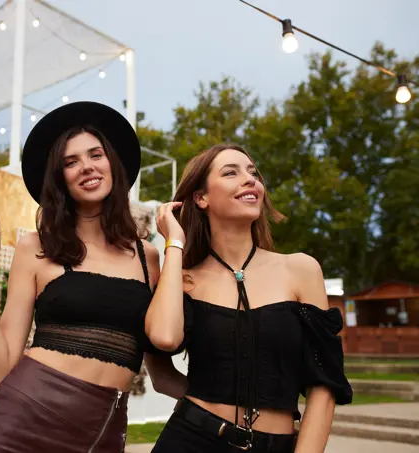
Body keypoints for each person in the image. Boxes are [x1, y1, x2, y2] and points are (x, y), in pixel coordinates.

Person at [0, 101, 187, 453]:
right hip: (23, 425)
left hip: (104, 435)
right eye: (71, 162)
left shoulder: (148, 258)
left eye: (95, 155)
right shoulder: (37, 247)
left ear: (113, 164)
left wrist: (229, 403)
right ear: (61, 180)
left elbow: (162, 375)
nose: (86, 167)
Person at [146, 144, 353, 452]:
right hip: (191, 439)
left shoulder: (301, 269)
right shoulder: (183, 280)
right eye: (231, 172)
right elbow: (163, 347)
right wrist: (174, 243)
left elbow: (323, 386)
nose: (250, 180)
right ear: (201, 198)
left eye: (253, 173)